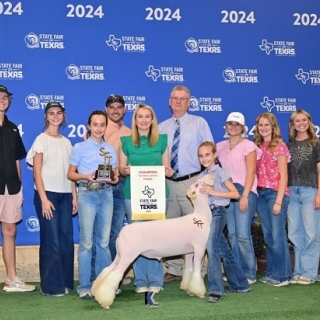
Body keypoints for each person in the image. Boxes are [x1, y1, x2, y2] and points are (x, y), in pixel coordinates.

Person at [159, 85, 213, 282]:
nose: (178, 102)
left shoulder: (199, 123)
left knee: (196, 228)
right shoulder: (161, 127)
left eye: (182, 99)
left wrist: (206, 182)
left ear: (189, 102)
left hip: (191, 181)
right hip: (167, 183)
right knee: (171, 227)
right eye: (175, 98)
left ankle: (197, 269)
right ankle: (174, 269)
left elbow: (209, 152)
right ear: (169, 101)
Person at [119, 104, 174, 293]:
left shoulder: (162, 141)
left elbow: (167, 167)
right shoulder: (125, 142)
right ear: (135, 120)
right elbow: (120, 169)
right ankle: (141, 281)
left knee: (156, 238)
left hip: (157, 195)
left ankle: (156, 281)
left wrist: (169, 171)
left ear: (152, 120)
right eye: (139, 116)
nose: (143, 120)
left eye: (147, 116)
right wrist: (123, 171)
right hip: (132, 195)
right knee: (137, 239)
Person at [26, 102, 78, 296]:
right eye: (51, 113)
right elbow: (36, 173)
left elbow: (71, 173)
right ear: (46, 117)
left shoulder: (67, 143)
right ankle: (50, 287)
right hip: (47, 195)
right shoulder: (41, 140)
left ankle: (64, 282)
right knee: (51, 241)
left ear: (63, 116)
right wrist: (44, 198)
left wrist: (74, 196)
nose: (55, 116)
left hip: (65, 195)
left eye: (58, 113)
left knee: (66, 239)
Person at [67, 110, 118, 299]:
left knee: (103, 242)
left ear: (106, 127)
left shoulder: (111, 149)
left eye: (102, 125)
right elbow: (70, 174)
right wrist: (85, 176)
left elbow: (114, 175)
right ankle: (85, 286)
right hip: (87, 193)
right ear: (89, 126)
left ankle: (103, 283)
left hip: (106, 194)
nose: (98, 128)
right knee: (87, 243)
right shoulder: (79, 147)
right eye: (95, 124)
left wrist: (113, 178)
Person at [198, 141, 249, 303]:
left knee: (211, 247)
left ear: (214, 155)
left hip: (219, 212)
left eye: (207, 155)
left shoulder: (221, 172)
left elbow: (234, 194)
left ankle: (216, 290)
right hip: (207, 214)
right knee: (223, 250)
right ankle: (240, 284)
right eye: (201, 156)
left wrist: (213, 191)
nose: (204, 158)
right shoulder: (201, 176)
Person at [216, 112, 261, 284]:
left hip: (244, 189)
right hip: (228, 190)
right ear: (226, 126)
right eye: (230, 124)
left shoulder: (248, 145)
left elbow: (251, 172)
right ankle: (236, 271)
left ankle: (249, 273)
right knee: (233, 234)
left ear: (243, 128)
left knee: (242, 234)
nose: (233, 127)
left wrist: (245, 196)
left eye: (237, 124)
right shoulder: (220, 146)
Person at [0, 84, 36, 292]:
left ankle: (11, 279)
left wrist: (19, 187)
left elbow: (16, 160)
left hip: (10, 187)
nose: (2, 100)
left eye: (5, 97)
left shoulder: (13, 128)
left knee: (10, 230)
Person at [253, 112, 292, 286]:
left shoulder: (280, 146)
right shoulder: (256, 146)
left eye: (266, 124)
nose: (263, 128)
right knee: (268, 236)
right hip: (260, 194)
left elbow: (284, 176)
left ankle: (283, 275)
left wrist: (278, 200)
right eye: (260, 125)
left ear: (273, 126)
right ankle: (272, 272)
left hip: (275, 193)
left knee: (278, 235)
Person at [287, 109, 320, 285]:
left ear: (309, 122)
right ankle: (298, 271)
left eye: (304, 120)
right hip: (292, 192)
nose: (301, 123)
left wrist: (319, 194)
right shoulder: (289, 145)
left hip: (310, 191)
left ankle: (309, 273)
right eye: (297, 121)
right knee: (294, 232)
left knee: (311, 232)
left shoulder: (316, 143)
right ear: (293, 124)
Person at [104, 95, 131, 265]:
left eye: (119, 107)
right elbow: (95, 158)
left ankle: (114, 270)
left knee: (116, 230)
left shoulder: (129, 132)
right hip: (104, 184)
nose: (115, 110)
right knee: (101, 230)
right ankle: (99, 271)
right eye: (112, 107)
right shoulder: (99, 128)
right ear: (106, 109)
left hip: (124, 183)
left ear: (124, 110)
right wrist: (109, 176)